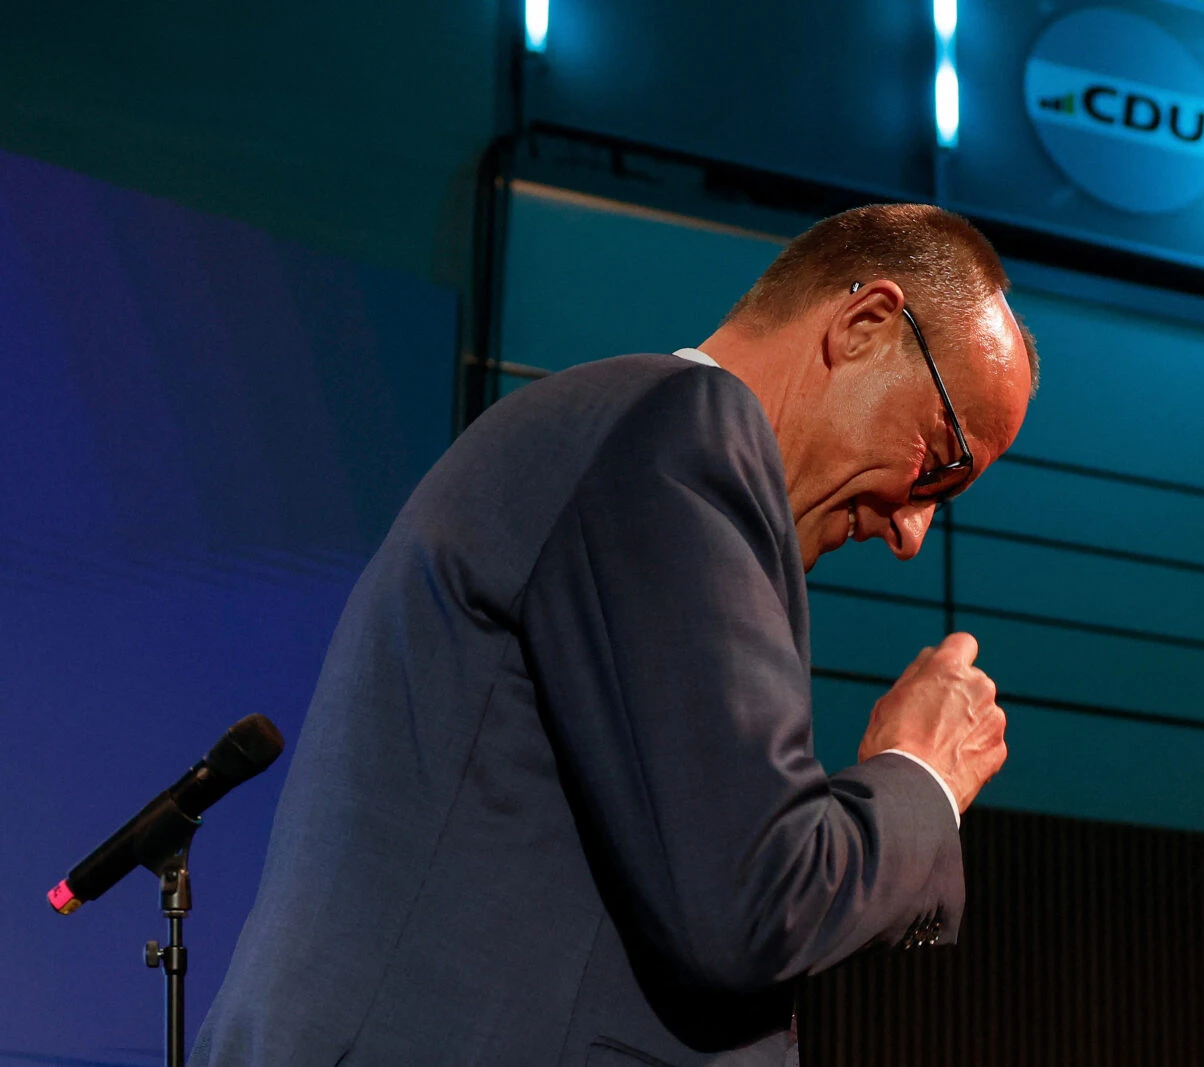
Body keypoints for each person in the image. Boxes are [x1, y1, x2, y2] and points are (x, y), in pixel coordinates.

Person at [192, 204, 1038, 1065]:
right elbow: (750, 897)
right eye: (941, 459)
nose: (912, 532)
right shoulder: (682, 430)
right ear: (865, 324)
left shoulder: (619, 433)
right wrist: (921, 772)